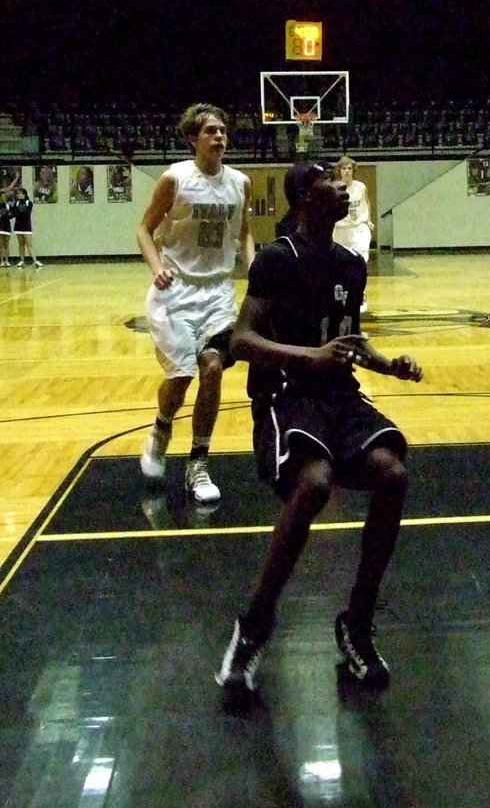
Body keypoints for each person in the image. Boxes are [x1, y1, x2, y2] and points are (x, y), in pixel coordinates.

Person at [215, 159, 423, 699]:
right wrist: (309, 357)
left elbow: (348, 341)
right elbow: (240, 341)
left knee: (392, 474)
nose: (343, 187)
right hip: (287, 395)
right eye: (333, 181)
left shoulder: (352, 263)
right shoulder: (274, 259)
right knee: (314, 484)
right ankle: (254, 626)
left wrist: (385, 363)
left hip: (339, 397)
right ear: (307, 196)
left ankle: (356, 623)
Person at [136, 104, 253, 503]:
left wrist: (255, 269)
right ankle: (161, 427)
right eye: (210, 131)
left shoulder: (240, 182)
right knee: (182, 376)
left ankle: (198, 463)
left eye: (222, 131)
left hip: (218, 290)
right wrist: (157, 269)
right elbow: (144, 229)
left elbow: (245, 234)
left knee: (214, 367)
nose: (219, 137)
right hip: (177, 291)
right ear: (193, 139)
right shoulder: (176, 179)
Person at [332, 156, 373, 313]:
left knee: (360, 261)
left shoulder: (360, 187)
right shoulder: (335, 188)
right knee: (339, 265)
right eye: (344, 168)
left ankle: (360, 294)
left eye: (349, 168)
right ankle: (341, 295)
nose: (347, 171)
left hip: (358, 228)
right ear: (339, 171)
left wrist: (368, 219)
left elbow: (367, 202)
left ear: (353, 170)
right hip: (340, 230)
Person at [10, 187, 42, 268]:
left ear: (24, 194)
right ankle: (22, 260)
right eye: (17, 194)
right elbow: (13, 214)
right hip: (18, 226)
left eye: (19, 193)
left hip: (26, 227)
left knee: (29, 244)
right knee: (21, 244)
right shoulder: (16, 203)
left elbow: (26, 213)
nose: (18, 195)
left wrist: (18, 211)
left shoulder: (29, 203)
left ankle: (35, 260)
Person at [0, 190, 11, 267]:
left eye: (5, 197)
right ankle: (1, 261)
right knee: (1, 244)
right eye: (2, 197)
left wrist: (9, 214)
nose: (4, 198)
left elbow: (11, 214)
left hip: (7, 226)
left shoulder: (8, 205)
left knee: (6, 243)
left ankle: (7, 260)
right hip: (0, 226)